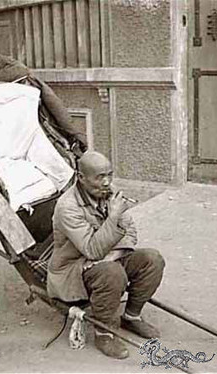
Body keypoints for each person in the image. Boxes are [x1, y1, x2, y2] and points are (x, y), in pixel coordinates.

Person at [47, 151, 165, 359]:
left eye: (109, 175)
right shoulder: (68, 207)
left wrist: (111, 256)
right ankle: (103, 333)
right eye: (99, 177)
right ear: (81, 178)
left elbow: (130, 232)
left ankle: (131, 316)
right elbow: (91, 250)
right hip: (73, 268)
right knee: (112, 273)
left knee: (152, 260)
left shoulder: (109, 191)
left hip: (107, 257)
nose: (107, 182)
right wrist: (113, 217)